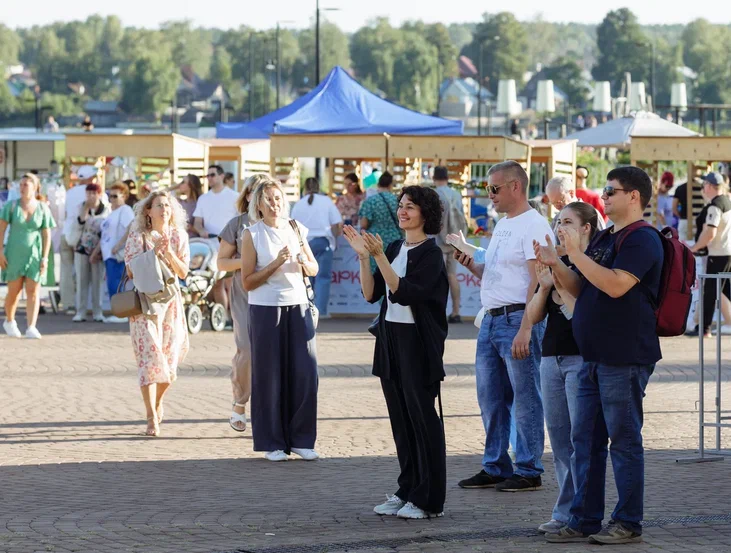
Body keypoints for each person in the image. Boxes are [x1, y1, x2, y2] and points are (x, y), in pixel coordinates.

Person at [538, 166, 663, 545]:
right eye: (605, 190)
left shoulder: (643, 239)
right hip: (591, 354)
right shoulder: (608, 237)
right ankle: (584, 518)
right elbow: (581, 285)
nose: (604, 196)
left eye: (611, 191)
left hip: (623, 356)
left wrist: (576, 252)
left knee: (623, 441)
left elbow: (613, 285)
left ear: (634, 197)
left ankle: (627, 522)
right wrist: (559, 263)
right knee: (586, 441)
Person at [344, 186, 448, 520]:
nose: (403, 211)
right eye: (401, 205)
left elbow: (403, 292)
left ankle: (428, 498)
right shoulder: (393, 246)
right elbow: (372, 293)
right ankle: (408, 489)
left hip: (417, 343)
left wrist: (378, 257)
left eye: (410, 207)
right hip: (390, 339)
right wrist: (364, 257)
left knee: (422, 419)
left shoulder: (430, 254)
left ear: (425, 213)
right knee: (401, 421)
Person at [453, 160, 552, 493]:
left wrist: (527, 326)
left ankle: (528, 468)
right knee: (491, 398)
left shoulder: (533, 225)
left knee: (525, 396)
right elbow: (499, 274)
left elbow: (538, 281)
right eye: (487, 189)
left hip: (515, 319)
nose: (489, 195)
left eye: (494, 188)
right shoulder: (505, 224)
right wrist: (473, 267)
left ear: (515, 187)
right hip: (493, 318)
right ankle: (495, 464)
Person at [525, 202, 599, 536]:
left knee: (580, 438)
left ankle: (579, 513)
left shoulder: (593, 263)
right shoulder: (557, 261)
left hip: (580, 358)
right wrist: (543, 286)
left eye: (568, 222)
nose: (559, 227)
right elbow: (534, 316)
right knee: (559, 440)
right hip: (550, 356)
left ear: (586, 228)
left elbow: (582, 312)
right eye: (557, 221)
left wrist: (559, 277)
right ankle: (566, 510)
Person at [241, 177, 320, 462]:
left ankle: (301, 439)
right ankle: (272, 441)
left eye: (278, 199)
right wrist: (275, 262)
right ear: (258, 205)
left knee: (305, 373)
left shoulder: (296, 228)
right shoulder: (252, 234)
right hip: (265, 309)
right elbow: (247, 282)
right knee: (268, 375)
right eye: (268, 200)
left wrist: (300, 260)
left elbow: (313, 268)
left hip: (298, 306)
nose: (274, 204)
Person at [124, 191, 190, 437]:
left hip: (171, 304)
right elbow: (130, 271)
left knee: (169, 364)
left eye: (168, 205)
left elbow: (183, 273)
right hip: (144, 305)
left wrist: (168, 253)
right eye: (159, 205)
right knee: (149, 360)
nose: (164, 209)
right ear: (148, 211)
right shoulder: (137, 236)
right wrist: (152, 255)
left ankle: (159, 401)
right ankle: (151, 416)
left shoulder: (179, 236)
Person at [217, 174, 269, 432]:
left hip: (275, 294)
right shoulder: (236, 225)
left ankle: (269, 408)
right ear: (247, 196)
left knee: (271, 352)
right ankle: (240, 402)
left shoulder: (281, 224)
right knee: (247, 349)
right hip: (245, 293)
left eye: (266, 191)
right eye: (254, 191)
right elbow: (221, 263)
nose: (260, 196)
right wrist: (247, 261)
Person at [0, 173, 56, 339]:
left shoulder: (42, 207)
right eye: (21, 184)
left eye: (26, 184)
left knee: (33, 291)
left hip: (34, 253)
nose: (22, 187)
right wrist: (0, 252)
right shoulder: (11, 206)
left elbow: (47, 234)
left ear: (35, 187)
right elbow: (1, 229)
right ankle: (9, 320)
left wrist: (45, 258)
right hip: (14, 253)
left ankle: (31, 326)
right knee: (14, 292)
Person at [686, 172, 731, 338]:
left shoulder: (715, 206)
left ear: (710, 186)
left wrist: (694, 248)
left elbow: (710, 233)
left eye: (704, 185)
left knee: (710, 292)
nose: (702, 188)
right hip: (726, 252)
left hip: (718, 254)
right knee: (725, 291)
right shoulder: (727, 201)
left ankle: (703, 329)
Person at [291, 177, 343, 318]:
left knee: (306, 279)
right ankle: (321, 311)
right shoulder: (326, 201)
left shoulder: (298, 204)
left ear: (305, 188)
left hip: (304, 244)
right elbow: (337, 223)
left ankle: (307, 310)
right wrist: (335, 238)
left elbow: (291, 225)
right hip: (323, 242)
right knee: (323, 278)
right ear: (318, 187)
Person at [194, 165, 239, 315]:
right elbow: (197, 222)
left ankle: (234, 317)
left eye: (212, 175)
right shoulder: (203, 198)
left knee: (231, 283)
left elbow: (242, 221)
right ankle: (222, 316)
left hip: (230, 244)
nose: (209, 178)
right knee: (216, 282)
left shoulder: (234, 196)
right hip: (211, 244)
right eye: (207, 176)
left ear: (221, 176)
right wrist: (201, 231)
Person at [93, 181, 135, 324]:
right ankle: (118, 312)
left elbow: (131, 227)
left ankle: (121, 313)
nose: (112, 199)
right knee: (112, 284)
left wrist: (119, 244)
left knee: (116, 284)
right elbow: (105, 236)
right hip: (108, 255)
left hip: (117, 255)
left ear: (124, 196)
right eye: (110, 196)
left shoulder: (125, 210)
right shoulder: (112, 213)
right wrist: (96, 252)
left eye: (115, 196)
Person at [60, 165, 99, 314]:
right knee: (82, 272)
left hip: (66, 233)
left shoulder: (69, 192)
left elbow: (63, 214)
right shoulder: (94, 192)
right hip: (83, 236)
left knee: (66, 271)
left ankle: (68, 304)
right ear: (90, 178)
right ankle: (82, 305)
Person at [72, 183, 110, 322]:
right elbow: (80, 222)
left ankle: (97, 311)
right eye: (88, 193)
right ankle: (80, 311)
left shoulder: (106, 209)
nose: (91, 196)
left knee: (97, 281)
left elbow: (106, 231)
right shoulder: (81, 206)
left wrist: (98, 251)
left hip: (98, 248)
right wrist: (86, 207)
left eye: (94, 193)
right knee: (81, 280)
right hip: (82, 247)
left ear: (99, 194)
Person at [433, 165, 466, 324]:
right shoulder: (456, 194)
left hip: (438, 241)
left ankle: (437, 311)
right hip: (454, 241)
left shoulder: (435, 195)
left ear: (434, 178)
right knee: (452, 275)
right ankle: (456, 311)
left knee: (436, 277)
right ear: (447, 178)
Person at [359, 172, 402, 272]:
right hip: (395, 241)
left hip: (375, 241)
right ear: (390, 185)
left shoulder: (370, 201)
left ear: (378, 185)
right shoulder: (397, 201)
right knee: (393, 270)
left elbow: (364, 224)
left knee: (376, 272)